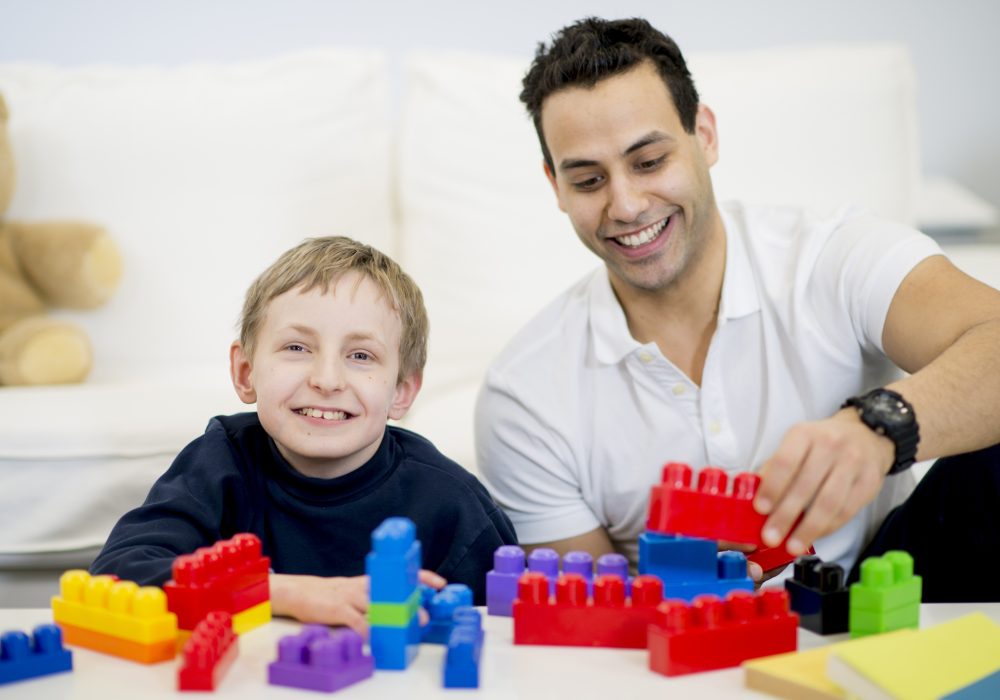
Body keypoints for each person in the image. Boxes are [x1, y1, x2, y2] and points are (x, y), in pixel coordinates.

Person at [475, 17, 1000, 601]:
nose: (624, 205)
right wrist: (682, 576)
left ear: (705, 135)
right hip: (676, 637)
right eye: (589, 179)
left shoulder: (832, 256)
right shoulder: (522, 395)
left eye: (648, 162)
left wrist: (878, 428)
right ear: (555, 186)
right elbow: (598, 614)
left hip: (885, 590)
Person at [92, 236, 516, 631]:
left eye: (361, 355)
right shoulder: (220, 463)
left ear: (401, 393)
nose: (327, 379)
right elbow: (116, 577)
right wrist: (287, 593)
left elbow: (509, 639)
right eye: (297, 348)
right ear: (245, 372)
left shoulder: (453, 503)